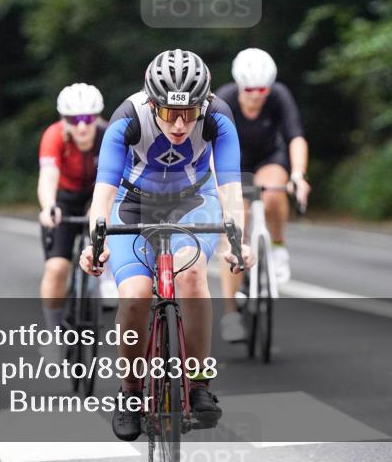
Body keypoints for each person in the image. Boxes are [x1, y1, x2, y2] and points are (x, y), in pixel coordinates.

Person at [79, 48, 254, 441]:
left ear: (203, 104)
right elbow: (103, 195)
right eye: (168, 113)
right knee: (136, 296)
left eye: (189, 113)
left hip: (193, 199)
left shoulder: (218, 117)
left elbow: (229, 188)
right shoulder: (127, 118)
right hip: (134, 202)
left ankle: (198, 384)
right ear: (151, 102)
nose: (178, 124)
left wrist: (237, 240)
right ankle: (129, 392)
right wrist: (95, 243)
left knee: (192, 276)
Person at [214, 48, 310, 342]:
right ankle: (231, 313)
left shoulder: (279, 95)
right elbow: (210, 146)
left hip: (269, 156)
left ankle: (278, 246)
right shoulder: (225, 99)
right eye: (250, 89)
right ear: (240, 86)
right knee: (234, 227)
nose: (256, 95)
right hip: (235, 162)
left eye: (262, 89)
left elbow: (295, 137)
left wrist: (298, 175)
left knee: (272, 195)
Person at [37, 83, 114, 342]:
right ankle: (52, 332)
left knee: (106, 216)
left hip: (97, 194)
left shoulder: (108, 135)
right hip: (65, 200)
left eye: (88, 118)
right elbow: (48, 176)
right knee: (57, 268)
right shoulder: (54, 135)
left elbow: (118, 180)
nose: (82, 126)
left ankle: (107, 276)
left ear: (97, 117)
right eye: (74, 119)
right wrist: (49, 206)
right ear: (64, 119)